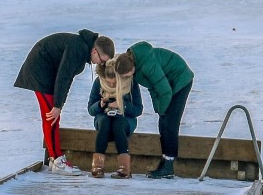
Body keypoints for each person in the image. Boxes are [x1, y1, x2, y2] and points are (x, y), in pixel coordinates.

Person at [14, 30, 113, 174]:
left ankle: (55, 159)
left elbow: (67, 78)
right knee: (51, 117)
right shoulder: (78, 48)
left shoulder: (82, 48)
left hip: (48, 73)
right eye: (102, 60)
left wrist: (59, 104)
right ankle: (57, 161)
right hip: (39, 72)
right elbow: (63, 76)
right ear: (94, 51)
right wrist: (57, 105)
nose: (101, 64)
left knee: (53, 116)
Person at [127, 41, 193, 179]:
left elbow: (165, 91)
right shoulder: (137, 70)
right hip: (168, 82)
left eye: (128, 74)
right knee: (163, 123)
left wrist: (163, 110)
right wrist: (158, 108)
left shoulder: (147, 65)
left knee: (170, 123)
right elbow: (153, 87)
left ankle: (168, 166)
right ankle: (165, 161)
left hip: (181, 79)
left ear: (133, 67)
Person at [86, 53, 142, 178]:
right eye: (108, 83)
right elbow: (91, 109)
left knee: (118, 124)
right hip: (103, 119)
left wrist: (122, 105)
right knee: (105, 122)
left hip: (124, 120)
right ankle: (97, 166)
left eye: (115, 83)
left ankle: (124, 168)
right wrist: (100, 104)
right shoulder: (99, 82)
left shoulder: (131, 83)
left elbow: (138, 109)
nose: (111, 86)